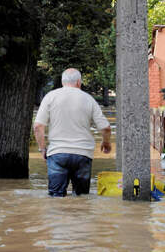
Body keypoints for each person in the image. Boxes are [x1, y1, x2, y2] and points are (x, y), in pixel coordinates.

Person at [33, 68, 111, 197]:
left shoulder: (50, 97)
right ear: (79, 82)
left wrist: (42, 149)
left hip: (57, 153)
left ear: (62, 81)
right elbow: (106, 128)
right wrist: (106, 142)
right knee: (82, 197)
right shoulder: (88, 99)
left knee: (55, 198)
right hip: (83, 154)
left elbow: (38, 126)